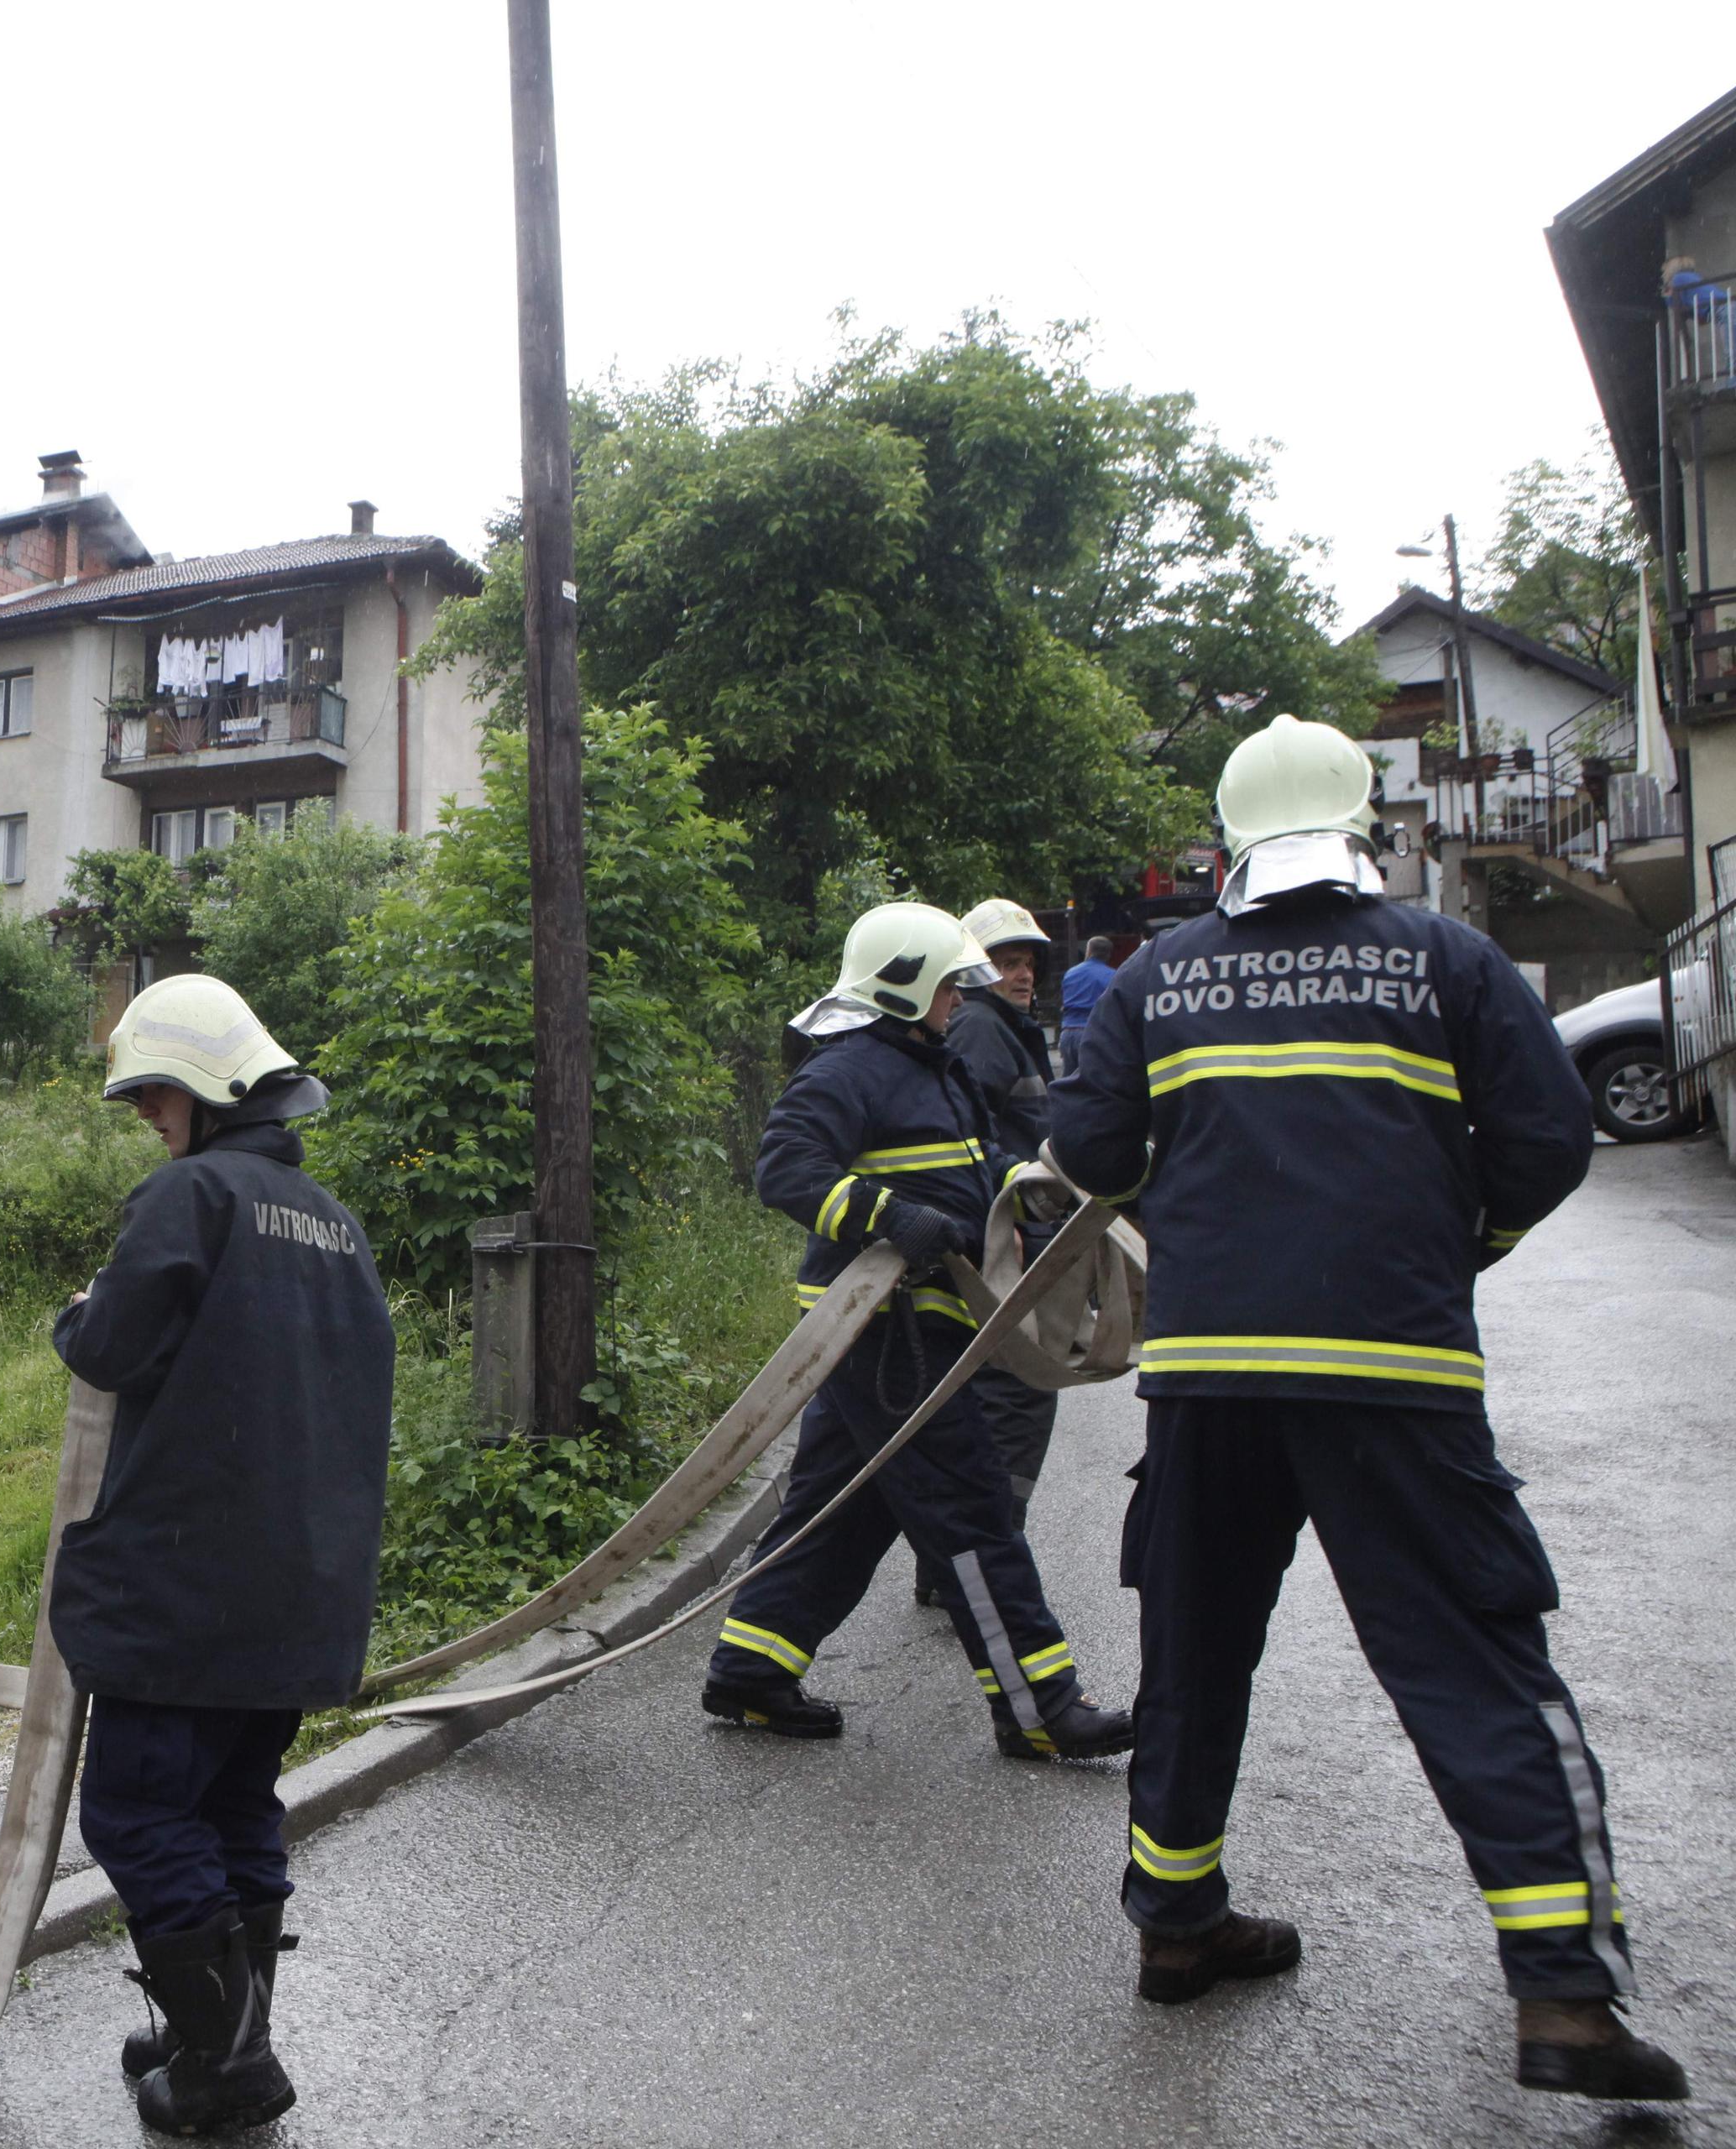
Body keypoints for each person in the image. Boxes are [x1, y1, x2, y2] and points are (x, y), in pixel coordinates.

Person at [1050, 713, 1686, 2102]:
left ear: (1228, 841)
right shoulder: (1443, 958)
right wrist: (1453, 1249)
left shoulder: (1158, 976)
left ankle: (1173, 1924)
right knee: (1473, 1665)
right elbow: (1548, 1140)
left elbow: (1087, 1151)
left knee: (1195, 1646)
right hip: (1395, 1373)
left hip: (1211, 1377)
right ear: (1360, 831)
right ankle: (1567, 1999)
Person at [52, 972, 396, 2136]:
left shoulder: (190, 1197)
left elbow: (111, 1347)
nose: (147, 1115)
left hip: (189, 1597)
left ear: (208, 1088)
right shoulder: (335, 1226)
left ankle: (229, 2060)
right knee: (237, 1801)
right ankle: (219, 2026)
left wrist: (75, 1315)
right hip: (301, 1594)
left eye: (155, 1093)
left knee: (142, 1813)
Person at [703, 901, 1133, 1762]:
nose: (958, 1000)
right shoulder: (848, 1069)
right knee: (970, 1508)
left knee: (845, 1506)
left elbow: (973, 1165)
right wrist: (892, 1216)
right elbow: (785, 1169)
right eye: (947, 985)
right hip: (881, 1332)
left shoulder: (932, 1067)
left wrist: (1029, 1190)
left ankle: (751, 1668)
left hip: (920, 1326)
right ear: (904, 984)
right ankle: (1039, 1704)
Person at [909, 897, 1061, 1608]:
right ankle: (977, 1564)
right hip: (1004, 1248)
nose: (1022, 972)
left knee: (1009, 1400)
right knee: (1013, 1399)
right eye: (1007, 961)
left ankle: (961, 1563)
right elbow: (971, 1147)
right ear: (973, 973)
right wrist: (1009, 1220)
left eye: (1028, 960)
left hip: (1017, 1243)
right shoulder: (980, 1030)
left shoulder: (1005, 1029)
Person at [1056, 934, 1117, 1076]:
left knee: (1069, 1080)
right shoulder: (1113, 976)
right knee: (1095, 1080)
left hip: (1068, 1032)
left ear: (1088, 951)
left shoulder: (1071, 973)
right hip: (1092, 1033)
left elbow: (1064, 1003)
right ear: (1108, 955)